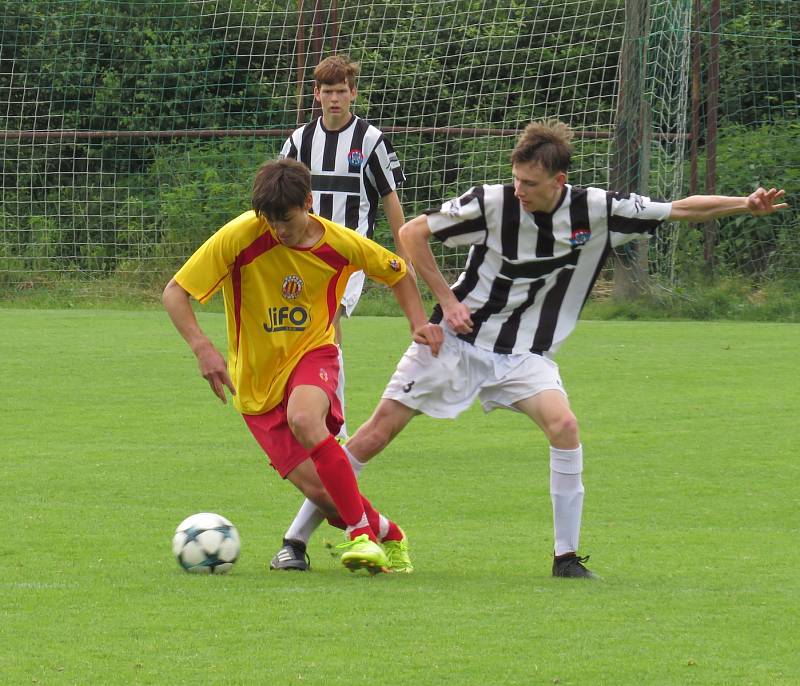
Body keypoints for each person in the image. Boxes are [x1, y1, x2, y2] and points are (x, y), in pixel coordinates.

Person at [270, 118, 788, 578]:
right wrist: (446, 300)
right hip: (455, 341)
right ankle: (295, 541)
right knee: (375, 434)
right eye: (515, 179)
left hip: (522, 355)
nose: (519, 190)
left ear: (559, 182)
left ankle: (566, 557)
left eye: (530, 184)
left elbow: (677, 210)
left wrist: (745, 203)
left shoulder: (596, 208)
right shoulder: (491, 202)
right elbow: (411, 232)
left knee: (564, 426)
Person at [162, 158, 442, 575]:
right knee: (325, 494)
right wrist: (202, 347)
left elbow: (397, 272)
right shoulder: (240, 236)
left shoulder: (340, 243)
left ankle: (361, 537)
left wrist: (418, 323)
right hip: (255, 383)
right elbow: (175, 292)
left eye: (287, 219)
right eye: (270, 220)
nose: (279, 229)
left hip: (314, 353)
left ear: (308, 203)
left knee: (305, 419)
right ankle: (390, 534)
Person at [279, 54, 409, 443]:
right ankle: (305, 414)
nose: (335, 98)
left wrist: (405, 256)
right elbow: (279, 195)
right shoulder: (298, 141)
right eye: (328, 91)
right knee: (301, 330)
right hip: (302, 255)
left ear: (353, 93)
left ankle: (336, 427)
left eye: (342, 91)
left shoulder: (371, 141)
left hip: (349, 256)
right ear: (316, 94)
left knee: (326, 325)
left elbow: (390, 199)